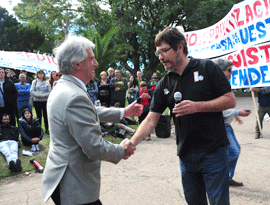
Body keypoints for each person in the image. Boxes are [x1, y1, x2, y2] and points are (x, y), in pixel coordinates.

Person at [128, 27, 236, 205]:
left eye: (164, 51)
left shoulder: (207, 67)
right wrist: (131, 143)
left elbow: (230, 101)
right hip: (187, 156)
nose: (161, 57)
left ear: (179, 47)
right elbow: (151, 119)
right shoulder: (165, 82)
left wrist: (197, 107)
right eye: (158, 53)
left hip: (214, 153)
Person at [41, 35, 142, 205]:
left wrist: (123, 112)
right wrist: (121, 150)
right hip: (75, 187)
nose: (95, 63)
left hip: (63, 178)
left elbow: (90, 111)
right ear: (77, 64)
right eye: (92, 58)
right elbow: (94, 147)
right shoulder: (74, 96)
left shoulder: (63, 88)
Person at [216, 58, 251, 187]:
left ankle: (226, 177)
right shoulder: (216, 86)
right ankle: (220, 177)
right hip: (220, 125)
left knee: (232, 151)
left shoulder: (223, 85)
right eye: (229, 70)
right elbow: (218, 109)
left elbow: (225, 106)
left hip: (225, 124)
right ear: (221, 71)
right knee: (232, 152)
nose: (231, 73)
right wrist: (237, 113)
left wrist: (234, 114)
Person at [30, 69, 51, 135]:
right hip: (37, 101)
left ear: (44, 74)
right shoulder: (34, 81)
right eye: (39, 73)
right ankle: (39, 129)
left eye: (42, 73)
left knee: (46, 115)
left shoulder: (47, 82)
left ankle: (47, 129)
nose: (40, 75)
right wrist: (38, 95)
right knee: (39, 115)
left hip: (45, 100)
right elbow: (32, 91)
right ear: (37, 75)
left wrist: (45, 95)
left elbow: (50, 91)